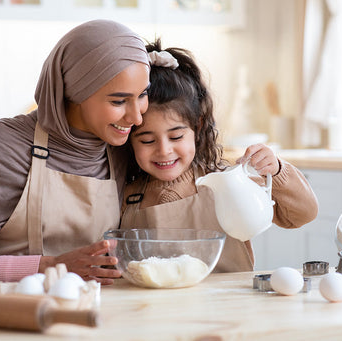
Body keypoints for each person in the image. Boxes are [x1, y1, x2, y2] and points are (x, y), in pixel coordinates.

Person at [0, 19, 151, 287]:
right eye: (118, 101)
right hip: (9, 319)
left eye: (143, 94)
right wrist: (51, 267)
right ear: (74, 92)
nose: (136, 117)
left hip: (103, 315)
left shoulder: (126, 149)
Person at [120, 39, 318, 272]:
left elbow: (302, 214)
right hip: (158, 307)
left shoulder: (227, 183)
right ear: (129, 139)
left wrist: (277, 171)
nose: (164, 150)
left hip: (228, 305)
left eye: (175, 137)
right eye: (147, 140)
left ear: (198, 127)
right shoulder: (128, 196)